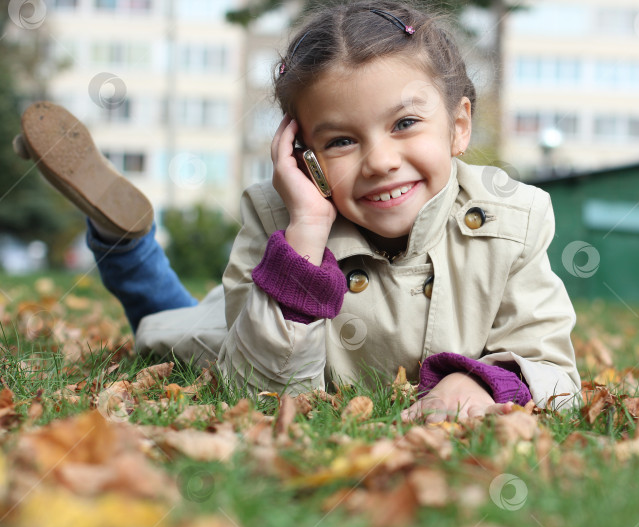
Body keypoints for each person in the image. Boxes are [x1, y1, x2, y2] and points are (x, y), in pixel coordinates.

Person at [13, 1, 581, 422]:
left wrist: (485, 386)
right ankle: (125, 237)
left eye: (405, 124)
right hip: (246, 325)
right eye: (340, 142)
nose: (381, 161)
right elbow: (256, 388)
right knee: (161, 321)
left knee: (175, 311)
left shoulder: (513, 218)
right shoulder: (278, 215)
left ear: (459, 126)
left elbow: (552, 365)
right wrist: (307, 230)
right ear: (300, 153)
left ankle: (129, 237)